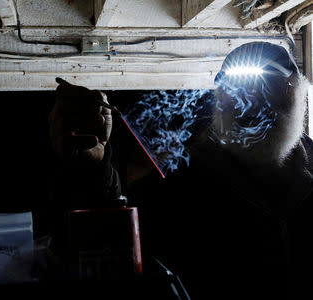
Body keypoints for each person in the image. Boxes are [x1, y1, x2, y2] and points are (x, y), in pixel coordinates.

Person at [47, 41, 313, 299]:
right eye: (236, 88)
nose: (250, 98)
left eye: (268, 83)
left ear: (296, 93)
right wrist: (94, 169)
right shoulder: (183, 184)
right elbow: (113, 244)